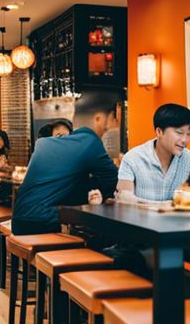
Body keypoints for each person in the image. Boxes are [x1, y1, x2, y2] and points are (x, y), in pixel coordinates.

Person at [11, 91, 119, 235]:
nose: (115, 124)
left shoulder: (43, 143)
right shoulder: (89, 141)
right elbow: (113, 181)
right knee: (98, 235)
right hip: (43, 224)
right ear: (99, 118)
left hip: (19, 221)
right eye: (114, 118)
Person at [116, 103, 190, 203]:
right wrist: (167, 206)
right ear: (159, 132)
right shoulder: (132, 158)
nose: (185, 140)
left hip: (177, 218)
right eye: (179, 132)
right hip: (139, 218)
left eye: (189, 134)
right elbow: (124, 201)